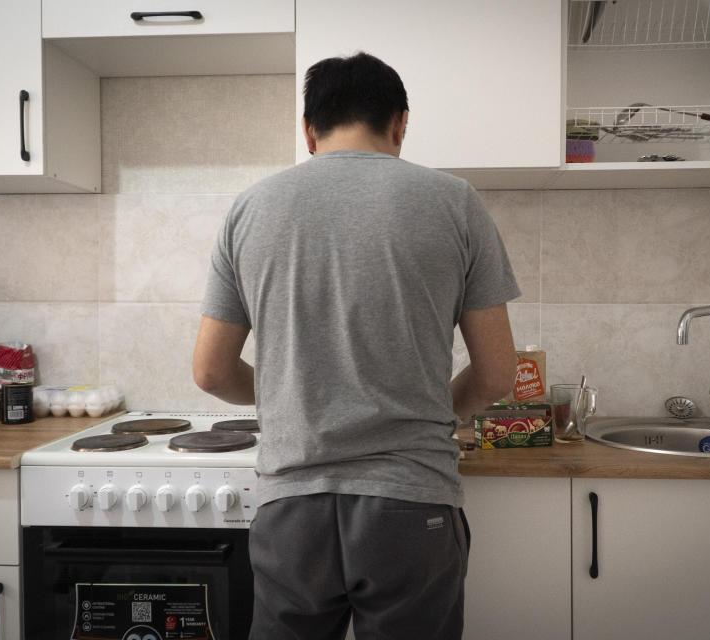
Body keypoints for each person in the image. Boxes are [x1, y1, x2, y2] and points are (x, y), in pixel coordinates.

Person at [193, 51, 520, 640]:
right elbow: (498, 375)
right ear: (400, 123)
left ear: (308, 130)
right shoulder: (455, 202)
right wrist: (430, 412)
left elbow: (211, 372)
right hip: (411, 503)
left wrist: (285, 395)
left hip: (291, 505)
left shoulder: (251, 207)